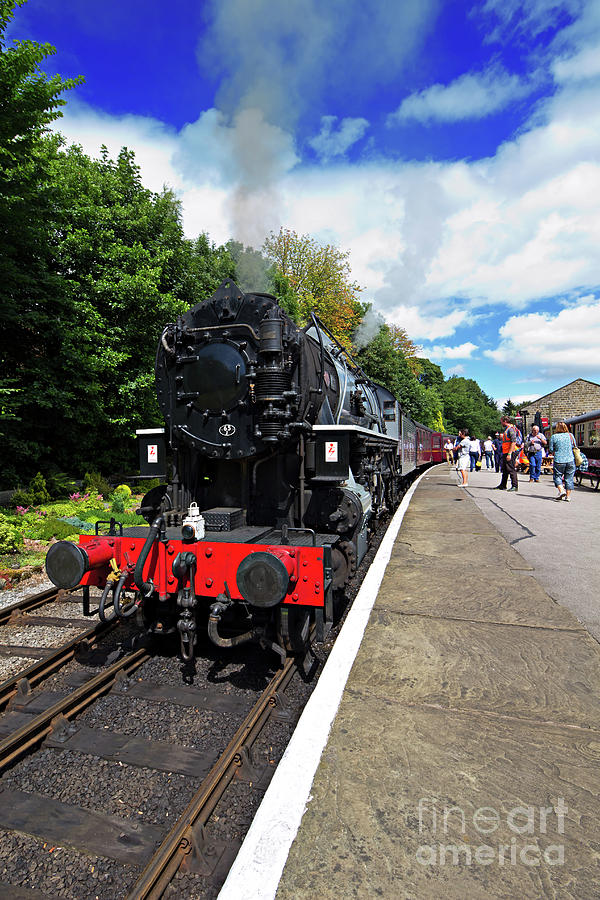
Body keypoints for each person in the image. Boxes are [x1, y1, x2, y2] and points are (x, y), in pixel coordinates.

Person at [549, 422, 576, 501]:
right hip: (570, 460)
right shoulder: (570, 435)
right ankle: (568, 496)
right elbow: (574, 446)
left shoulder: (554, 437)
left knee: (557, 476)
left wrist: (556, 450)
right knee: (569, 478)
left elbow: (551, 449)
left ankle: (561, 491)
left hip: (559, 460)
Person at [495, 416, 521, 492]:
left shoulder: (511, 429)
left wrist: (509, 454)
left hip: (510, 452)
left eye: (502, 421)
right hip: (505, 452)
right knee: (505, 469)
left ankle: (514, 486)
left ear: (505, 421)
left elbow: (513, 442)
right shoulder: (507, 429)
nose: (501, 423)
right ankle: (503, 485)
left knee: (511, 469)